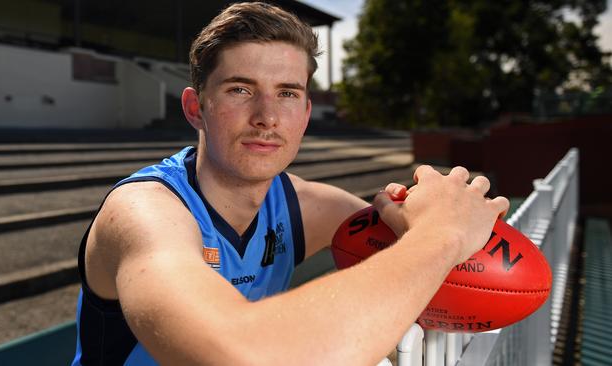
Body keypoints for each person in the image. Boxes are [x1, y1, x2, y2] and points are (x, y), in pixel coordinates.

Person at [72, 2, 509, 365]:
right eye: (240, 90)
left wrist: (438, 216)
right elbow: (236, 354)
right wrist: (440, 237)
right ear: (195, 109)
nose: (267, 115)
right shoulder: (144, 212)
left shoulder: (305, 206)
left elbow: (458, 266)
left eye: (287, 93)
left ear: (304, 113)